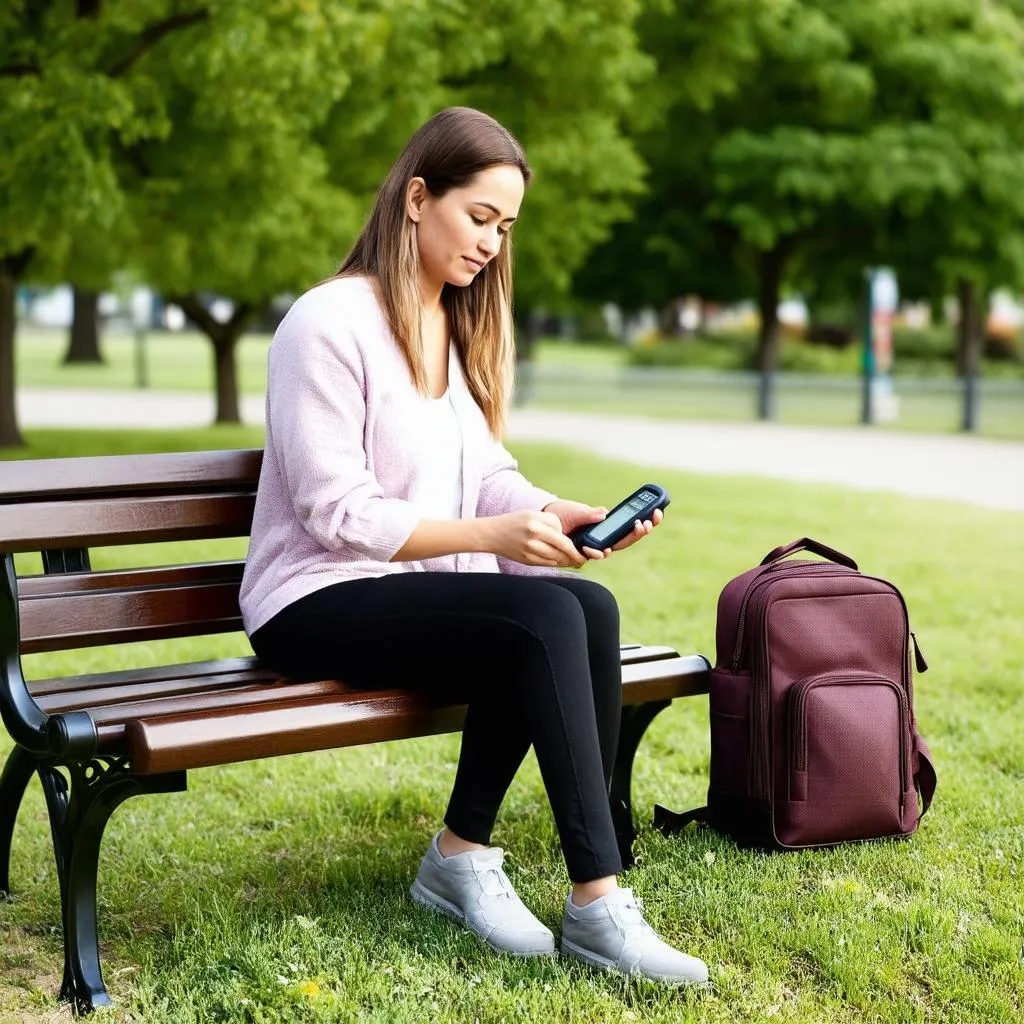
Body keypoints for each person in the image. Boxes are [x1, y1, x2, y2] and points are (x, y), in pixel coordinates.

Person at [239, 106, 708, 986]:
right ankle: (598, 903)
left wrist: (557, 512)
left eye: (507, 226)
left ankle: (460, 855)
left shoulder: (446, 327)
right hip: (312, 597)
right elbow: (336, 511)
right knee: (534, 614)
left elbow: (487, 475)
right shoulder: (327, 322)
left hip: (401, 589)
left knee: (583, 603)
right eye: (479, 217)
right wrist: (495, 538)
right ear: (418, 197)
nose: (493, 243)